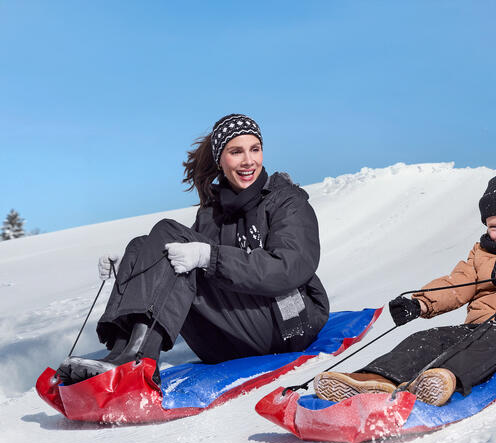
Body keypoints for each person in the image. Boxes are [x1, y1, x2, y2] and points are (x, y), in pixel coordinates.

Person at [57, 114, 329, 386]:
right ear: (220, 160)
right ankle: (118, 354)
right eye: (236, 152)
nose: (249, 160)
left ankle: (138, 360)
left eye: (255, 149)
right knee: (142, 245)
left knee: (168, 233)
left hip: (288, 326)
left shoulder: (286, 201)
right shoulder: (212, 213)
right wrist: (132, 264)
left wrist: (210, 257)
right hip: (229, 339)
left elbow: (289, 268)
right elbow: (174, 262)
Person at [313, 158, 496, 406]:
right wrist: (421, 304)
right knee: (428, 338)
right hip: (483, 324)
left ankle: (440, 381)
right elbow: (459, 283)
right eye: (493, 226)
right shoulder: (482, 252)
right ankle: (377, 379)